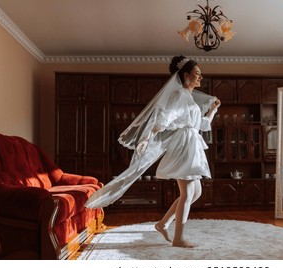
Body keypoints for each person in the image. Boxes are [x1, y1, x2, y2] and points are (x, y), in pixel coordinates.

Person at [85, 55, 221, 248]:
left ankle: (163, 224)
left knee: (195, 192)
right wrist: (146, 138)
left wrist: (213, 110)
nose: (201, 77)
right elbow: (163, 119)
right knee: (188, 193)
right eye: (197, 73)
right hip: (184, 146)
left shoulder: (188, 97)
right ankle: (178, 238)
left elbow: (202, 124)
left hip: (192, 143)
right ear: (185, 75)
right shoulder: (178, 95)